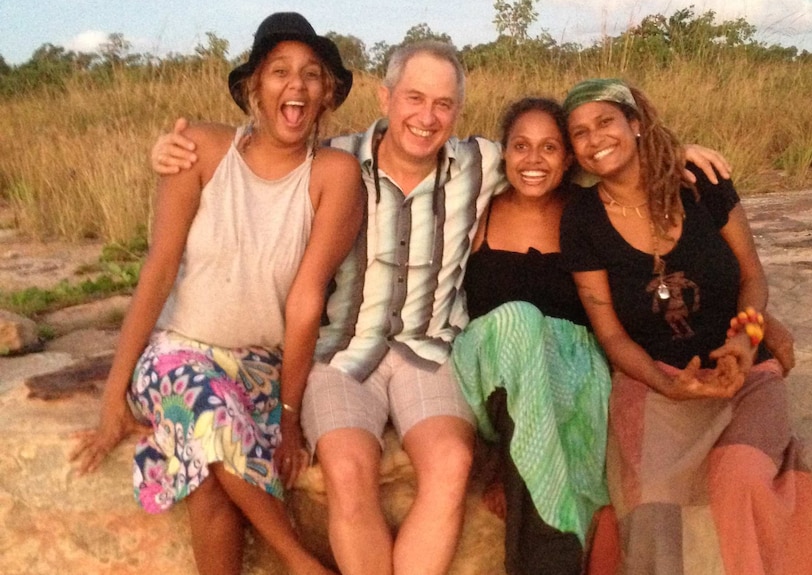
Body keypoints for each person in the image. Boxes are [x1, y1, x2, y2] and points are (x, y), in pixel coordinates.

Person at [150, 43, 732, 575]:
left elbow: (558, 154)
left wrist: (666, 149)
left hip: (430, 352)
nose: (427, 118)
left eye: (444, 105)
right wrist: (174, 148)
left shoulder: (479, 164)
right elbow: (263, 153)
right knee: (350, 474)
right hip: (344, 350)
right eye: (415, 99)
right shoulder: (334, 160)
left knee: (451, 465)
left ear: (458, 112)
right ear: (386, 98)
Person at [69, 12, 363, 575]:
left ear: (327, 94)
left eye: (311, 75)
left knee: (205, 480)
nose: (295, 85)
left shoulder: (334, 172)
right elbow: (158, 271)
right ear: (255, 87)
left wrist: (289, 413)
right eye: (279, 72)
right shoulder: (202, 148)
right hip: (182, 353)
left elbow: (305, 303)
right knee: (208, 422)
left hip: (262, 365)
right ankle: (302, 562)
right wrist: (113, 398)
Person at [559, 78, 812, 575]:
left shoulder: (699, 180)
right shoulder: (581, 216)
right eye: (579, 132)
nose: (594, 138)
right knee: (652, 506)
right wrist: (667, 382)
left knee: (742, 476)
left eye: (605, 122)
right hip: (656, 382)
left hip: (742, 372)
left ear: (636, 124)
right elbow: (610, 334)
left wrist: (747, 339)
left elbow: (752, 275)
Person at [450, 97, 611, 575]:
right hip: (490, 365)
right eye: (521, 146)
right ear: (503, 153)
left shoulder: (588, 211)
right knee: (521, 320)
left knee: (578, 392)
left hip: (568, 379)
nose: (534, 161)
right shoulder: (479, 208)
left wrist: (682, 154)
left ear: (568, 159)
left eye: (549, 148)